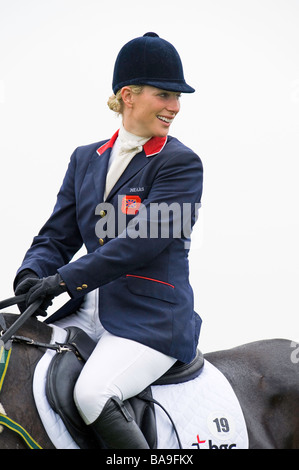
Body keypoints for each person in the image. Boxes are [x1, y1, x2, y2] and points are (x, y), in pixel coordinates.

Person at [14, 32, 203, 449]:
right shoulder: (86, 158)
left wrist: (61, 280)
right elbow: (57, 234)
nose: (175, 107)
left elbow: (139, 244)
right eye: (165, 95)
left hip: (151, 319)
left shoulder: (180, 163)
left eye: (177, 97)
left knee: (92, 393)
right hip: (85, 312)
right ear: (128, 96)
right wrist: (31, 275)